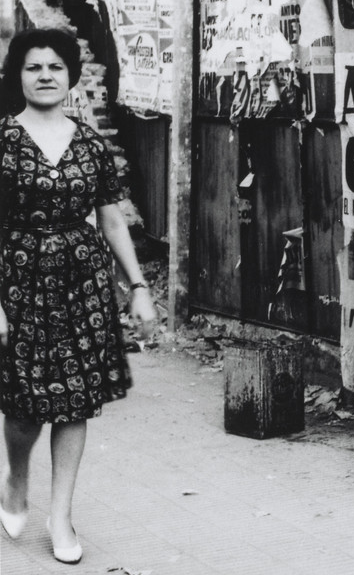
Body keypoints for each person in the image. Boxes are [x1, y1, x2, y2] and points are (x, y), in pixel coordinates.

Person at [0, 28, 157, 563]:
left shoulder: (90, 143)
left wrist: (138, 287)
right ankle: (17, 477)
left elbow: (111, 219)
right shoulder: (2, 140)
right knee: (24, 408)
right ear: (17, 75)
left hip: (81, 284)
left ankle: (61, 514)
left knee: (74, 401)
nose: (45, 75)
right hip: (17, 282)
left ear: (70, 76)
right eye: (33, 66)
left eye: (55, 67)